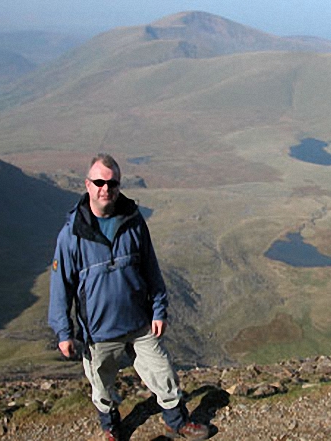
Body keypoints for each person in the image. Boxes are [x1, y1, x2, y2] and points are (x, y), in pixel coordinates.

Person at [48, 154, 209, 441]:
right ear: (87, 184)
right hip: (99, 331)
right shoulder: (71, 235)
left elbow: (150, 267)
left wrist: (159, 310)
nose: (105, 189)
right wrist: (64, 332)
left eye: (112, 183)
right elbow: (61, 286)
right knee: (102, 384)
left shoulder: (133, 221)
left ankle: (176, 420)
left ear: (119, 185)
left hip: (139, 322)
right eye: (99, 182)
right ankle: (111, 427)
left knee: (163, 373)